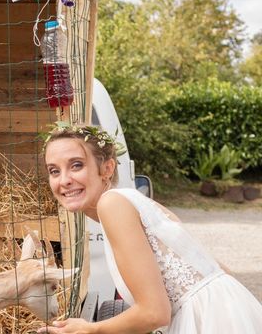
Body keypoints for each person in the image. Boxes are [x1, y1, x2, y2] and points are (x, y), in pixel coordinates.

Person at [40, 123, 262, 333]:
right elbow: (218, 269)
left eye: (76, 165)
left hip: (212, 320)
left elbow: (155, 313)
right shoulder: (136, 202)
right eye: (54, 171)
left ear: (107, 168)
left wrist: (91, 328)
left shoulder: (112, 204)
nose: (64, 180)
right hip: (227, 309)